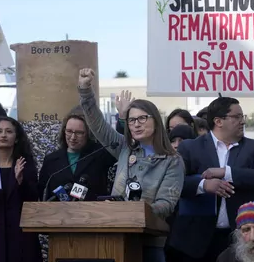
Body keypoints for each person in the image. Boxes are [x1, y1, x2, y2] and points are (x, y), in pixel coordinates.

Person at [78, 68, 184, 262]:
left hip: (149, 243)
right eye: (132, 119)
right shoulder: (125, 148)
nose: (136, 124)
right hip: (115, 236)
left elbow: (166, 204)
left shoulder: (172, 160)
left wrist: (132, 211)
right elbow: (98, 125)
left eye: (142, 118)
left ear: (156, 121)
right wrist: (86, 91)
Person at [168, 97, 254, 262]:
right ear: (218, 121)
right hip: (194, 240)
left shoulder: (253, 147)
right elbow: (174, 182)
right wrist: (203, 185)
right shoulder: (190, 147)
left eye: (242, 117)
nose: (242, 121)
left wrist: (226, 172)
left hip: (239, 238)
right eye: (237, 117)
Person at [0, 116, 42, 262]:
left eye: (9, 131)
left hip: (22, 238)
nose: (3, 135)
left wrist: (20, 181)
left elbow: (33, 201)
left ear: (16, 138)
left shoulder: (25, 167)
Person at [37, 112, 116, 201]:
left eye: (79, 133)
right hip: (59, 212)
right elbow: (42, 191)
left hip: (92, 210)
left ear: (88, 134)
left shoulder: (99, 154)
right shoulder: (51, 160)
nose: (73, 137)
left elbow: (119, 148)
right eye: (69, 131)